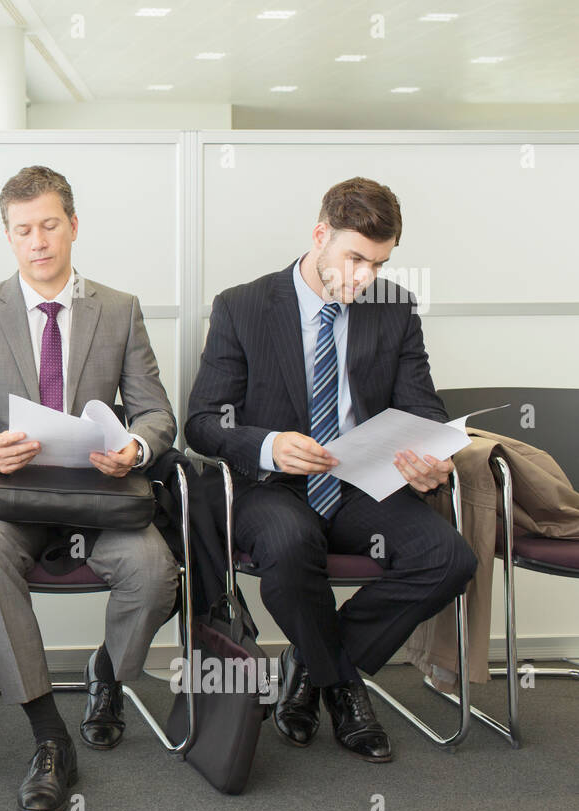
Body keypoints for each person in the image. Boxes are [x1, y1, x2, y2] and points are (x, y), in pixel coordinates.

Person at [186, 176, 476, 763]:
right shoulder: (242, 306)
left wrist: (429, 457)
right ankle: (343, 686)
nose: (365, 277)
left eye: (379, 263)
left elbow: (424, 407)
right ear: (320, 235)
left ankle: (312, 665)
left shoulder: (392, 310)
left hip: (358, 484)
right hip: (273, 487)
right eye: (355, 258)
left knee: (449, 559)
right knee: (292, 550)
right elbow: (201, 423)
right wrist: (268, 444)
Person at [0, 166, 179, 811]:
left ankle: (106, 672)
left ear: (72, 225)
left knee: (155, 571)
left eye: (48, 225)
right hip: (9, 499)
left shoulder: (117, 308)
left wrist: (137, 447)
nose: (37, 241)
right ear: (8, 236)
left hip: (98, 494)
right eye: (22, 230)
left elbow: (157, 414)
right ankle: (48, 737)